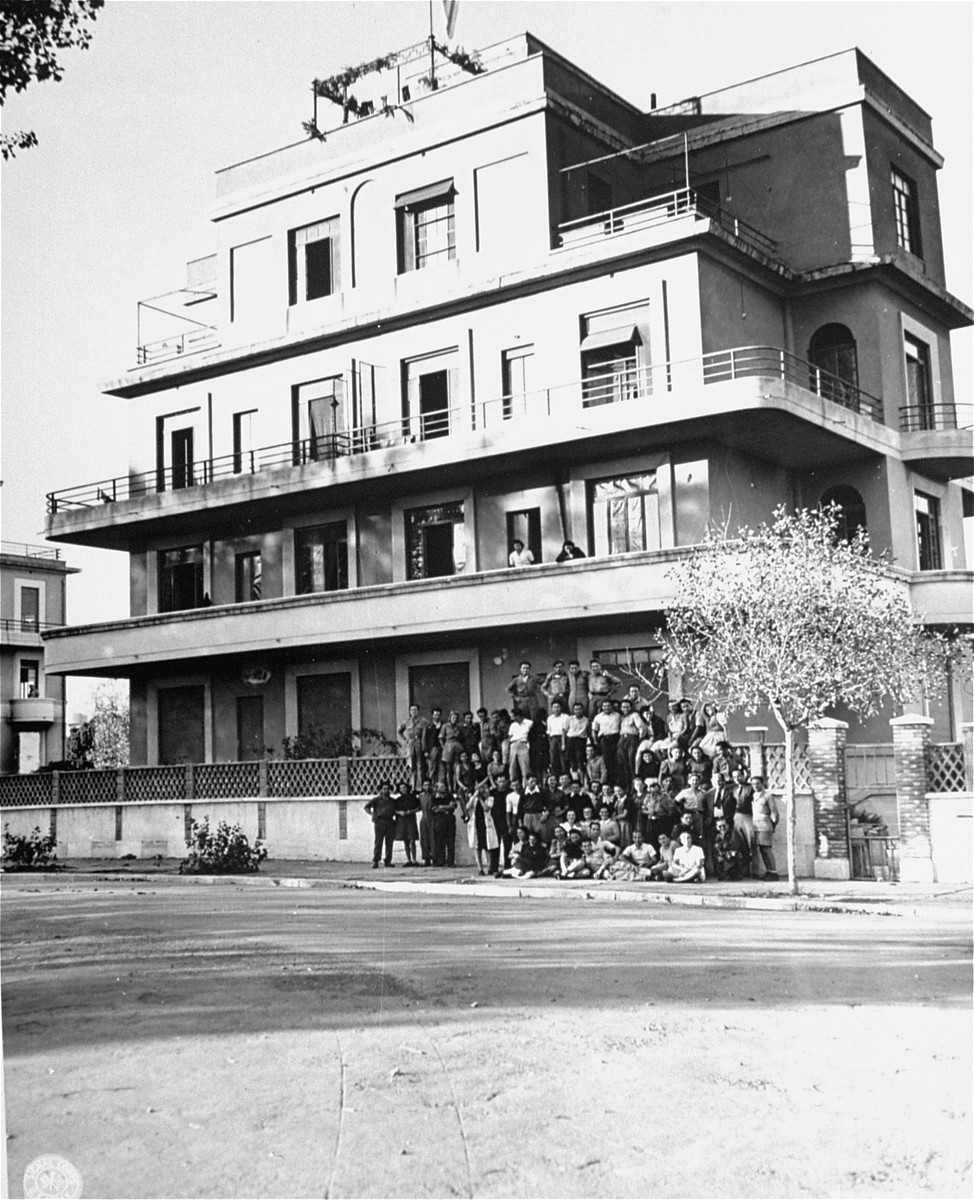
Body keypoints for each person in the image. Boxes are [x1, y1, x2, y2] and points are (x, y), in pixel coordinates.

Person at [466, 782, 502, 875]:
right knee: (477, 846)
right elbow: (467, 807)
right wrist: (474, 796)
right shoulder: (474, 799)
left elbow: (486, 808)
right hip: (476, 823)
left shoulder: (490, 799)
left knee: (488, 846)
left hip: (486, 824)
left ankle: (489, 866)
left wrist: (481, 799)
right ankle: (480, 868)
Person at [751, 776, 780, 881]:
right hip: (756, 826)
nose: (755, 786)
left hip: (765, 825)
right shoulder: (754, 795)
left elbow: (775, 813)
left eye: (757, 783)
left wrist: (772, 825)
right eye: (753, 784)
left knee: (766, 849)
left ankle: (773, 872)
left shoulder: (767, 796)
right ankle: (768, 871)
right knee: (762, 850)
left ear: (762, 784)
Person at [364, 780, 398, 869]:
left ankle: (388, 860)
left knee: (389, 842)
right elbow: (366, 807)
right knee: (378, 842)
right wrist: (372, 814)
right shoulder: (376, 800)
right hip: (380, 822)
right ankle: (376, 861)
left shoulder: (393, 801)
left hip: (390, 821)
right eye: (384, 789)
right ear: (381, 790)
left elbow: (396, 810)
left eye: (387, 789)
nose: (386, 790)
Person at [398, 703, 429, 790]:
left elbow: (428, 730)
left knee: (420, 765)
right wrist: (405, 740)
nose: (413, 712)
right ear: (409, 711)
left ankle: (420, 787)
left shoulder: (423, 721)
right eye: (412, 710)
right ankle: (413, 786)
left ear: (418, 711)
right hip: (410, 743)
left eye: (415, 710)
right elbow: (399, 731)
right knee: (412, 766)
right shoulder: (406, 721)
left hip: (419, 742)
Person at [592, 699, 622, 786]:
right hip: (604, 740)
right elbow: (594, 730)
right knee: (607, 761)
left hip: (616, 738)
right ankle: (609, 782)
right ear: (602, 707)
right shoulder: (598, 717)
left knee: (617, 760)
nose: (606, 707)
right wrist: (595, 741)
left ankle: (618, 782)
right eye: (604, 706)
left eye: (608, 705)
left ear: (612, 706)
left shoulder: (618, 715)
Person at [430, 782, 458, 867]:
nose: (443, 788)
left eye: (444, 786)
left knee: (450, 840)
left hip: (449, 819)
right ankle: (440, 860)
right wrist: (446, 808)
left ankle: (450, 861)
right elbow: (435, 809)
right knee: (439, 840)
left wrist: (441, 807)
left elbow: (453, 806)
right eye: (441, 786)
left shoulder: (449, 796)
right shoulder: (434, 797)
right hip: (439, 820)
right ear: (437, 788)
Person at [393, 782, 421, 867]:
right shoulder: (398, 800)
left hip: (410, 819)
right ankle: (408, 859)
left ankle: (414, 859)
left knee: (412, 839)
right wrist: (399, 812)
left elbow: (419, 807)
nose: (403, 790)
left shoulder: (413, 798)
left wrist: (411, 811)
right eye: (401, 788)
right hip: (401, 820)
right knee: (405, 839)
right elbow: (394, 810)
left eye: (404, 788)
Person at [507, 709, 534, 785]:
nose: (511, 717)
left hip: (523, 744)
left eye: (512, 715)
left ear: (517, 716)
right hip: (514, 744)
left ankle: (526, 786)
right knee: (512, 767)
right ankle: (513, 786)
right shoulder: (513, 725)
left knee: (525, 767)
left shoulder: (529, 723)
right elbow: (510, 736)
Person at [546, 699, 570, 778]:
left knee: (563, 759)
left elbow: (565, 730)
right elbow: (549, 732)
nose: (556, 709)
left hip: (563, 738)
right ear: (552, 708)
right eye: (554, 707)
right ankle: (555, 777)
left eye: (558, 707)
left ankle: (564, 776)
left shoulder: (565, 717)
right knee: (553, 759)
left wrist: (563, 743)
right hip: (553, 739)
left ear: (561, 708)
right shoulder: (550, 718)